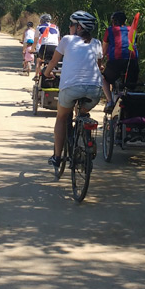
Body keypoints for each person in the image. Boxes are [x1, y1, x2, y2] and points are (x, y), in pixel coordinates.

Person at [43, 11, 103, 172]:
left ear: (78, 27)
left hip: (71, 88)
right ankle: (83, 132)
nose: (69, 27)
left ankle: (57, 157)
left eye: (71, 24)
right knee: (82, 113)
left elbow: (54, 61)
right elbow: (98, 66)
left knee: (62, 118)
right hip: (95, 90)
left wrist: (46, 73)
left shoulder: (67, 40)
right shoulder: (97, 43)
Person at [101, 11, 140, 114]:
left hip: (115, 62)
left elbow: (103, 51)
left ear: (113, 22)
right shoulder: (132, 30)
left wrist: (100, 63)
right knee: (130, 85)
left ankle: (110, 102)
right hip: (132, 62)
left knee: (104, 79)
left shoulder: (110, 31)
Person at [32, 14, 60, 80]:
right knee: (53, 61)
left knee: (40, 60)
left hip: (45, 46)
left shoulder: (39, 27)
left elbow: (35, 41)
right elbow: (59, 40)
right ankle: (53, 76)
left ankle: (37, 76)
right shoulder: (55, 27)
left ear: (42, 20)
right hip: (55, 47)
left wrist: (32, 49)